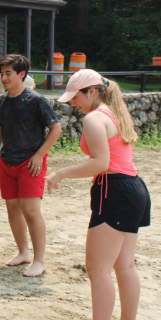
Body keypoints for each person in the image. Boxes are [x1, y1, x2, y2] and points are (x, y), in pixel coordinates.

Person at [46, 69, 150, 319]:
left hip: (113, 190)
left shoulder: (94, 119)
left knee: (97, 269)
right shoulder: (116, 112)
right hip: (134, 188)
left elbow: (101, 163)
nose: (72, 102)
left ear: (92, 91)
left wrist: (60, 173)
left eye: (76, 96)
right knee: (124, 265)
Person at [0, 54, 62, 277]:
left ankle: (39, 260)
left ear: (22, 74)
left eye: (8, 73)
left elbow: (55, 129)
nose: (3, 77)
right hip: (7, 161)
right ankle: (23, 253)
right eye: (1, 73)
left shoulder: (36, 100)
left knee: (30, 210)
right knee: (12, 209)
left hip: (31, 162)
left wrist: (40, 154)